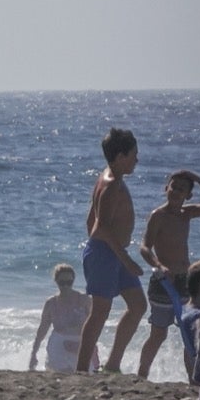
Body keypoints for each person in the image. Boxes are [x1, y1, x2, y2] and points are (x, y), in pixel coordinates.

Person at [136, 170, 200, 378]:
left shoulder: (187, 213)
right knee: (158, 335)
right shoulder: (158, 215)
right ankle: (141, 376)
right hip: (163, 283)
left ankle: (193, 380)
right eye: (173, 187)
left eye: (182, 189)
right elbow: (144, 247)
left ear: (188, 195)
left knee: (190, 334)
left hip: (186, 282)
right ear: (166, 188)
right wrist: (159, 265)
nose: (176, 192)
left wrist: (198, 178)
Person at [76, 127, 146, 373]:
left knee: (138, 305)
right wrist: (126, 260)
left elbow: (90, 220)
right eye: (133, 154)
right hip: (107, 253)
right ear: (119, 156)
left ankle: (113, 364)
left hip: (111, 253)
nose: (137, 159)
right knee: (100, 312)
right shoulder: (111, 184)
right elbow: (100, 228)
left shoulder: (109, 177)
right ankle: (82, 369)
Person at [30, 263, 96, 372]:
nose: (65, 286)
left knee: (85, 373)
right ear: (56, 281)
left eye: (69, 282)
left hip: (80, 342)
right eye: (62, 283)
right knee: (58, 373)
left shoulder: (84, 300)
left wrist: (92, 346)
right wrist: (34, 354)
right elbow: (42, 330)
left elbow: (94, 325)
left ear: (73, 281)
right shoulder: (51, 303)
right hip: (59, 343)